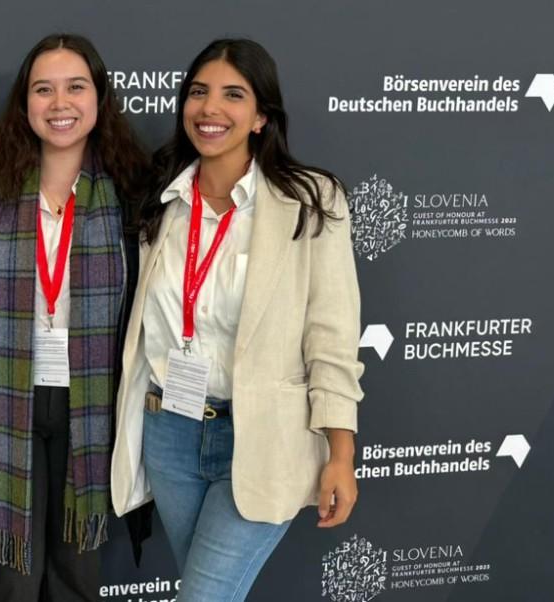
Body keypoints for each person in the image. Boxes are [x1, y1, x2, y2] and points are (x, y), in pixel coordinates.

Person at [109, 38, 364, 601]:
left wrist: (341, 455)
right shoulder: (161, 196)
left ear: (260, 116)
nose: (210, 109)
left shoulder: (312, 202)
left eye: (233, 94)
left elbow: (333, 340)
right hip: (169, 432)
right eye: (198, 93)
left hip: (262, 437)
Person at [0, 33, 149, 602]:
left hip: (93, 400)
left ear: (99, 98)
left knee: (77, 574)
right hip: (5, 396)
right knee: (10, 580)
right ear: (25, 103)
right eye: (43, 89)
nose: (59, 103)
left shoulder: (133, 197)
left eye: (75, 87)